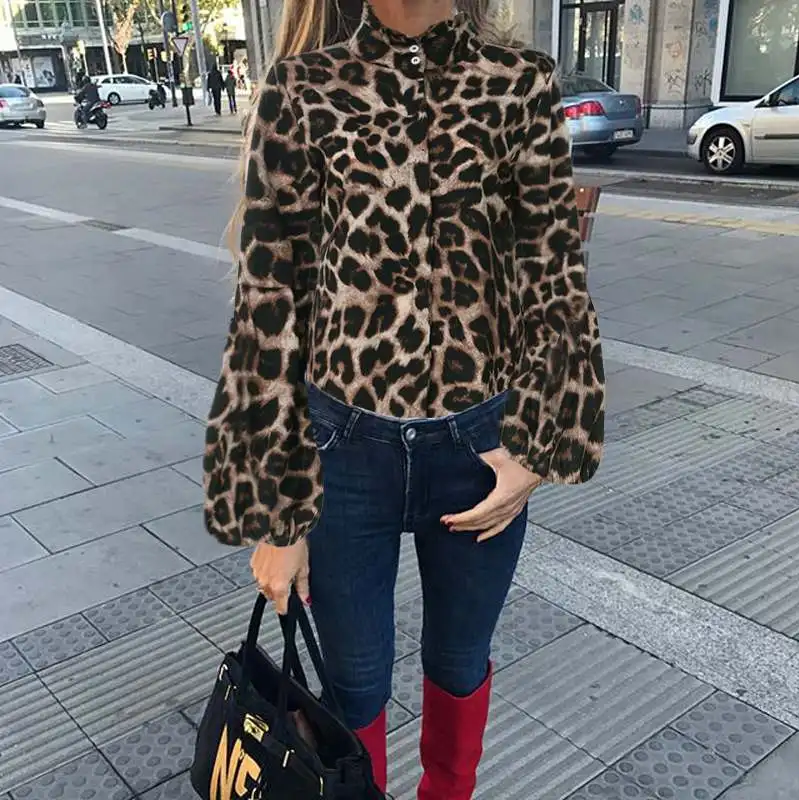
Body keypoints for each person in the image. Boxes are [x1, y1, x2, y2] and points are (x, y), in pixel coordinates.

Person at [203, 0, 605, 797]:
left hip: (479, 449)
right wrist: (279, 515)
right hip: (342, 455)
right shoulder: (302, 89)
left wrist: (537, 451)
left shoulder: (519, 84)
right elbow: (268, 307)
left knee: (459, 663)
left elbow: (553, 277)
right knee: (353, 688)